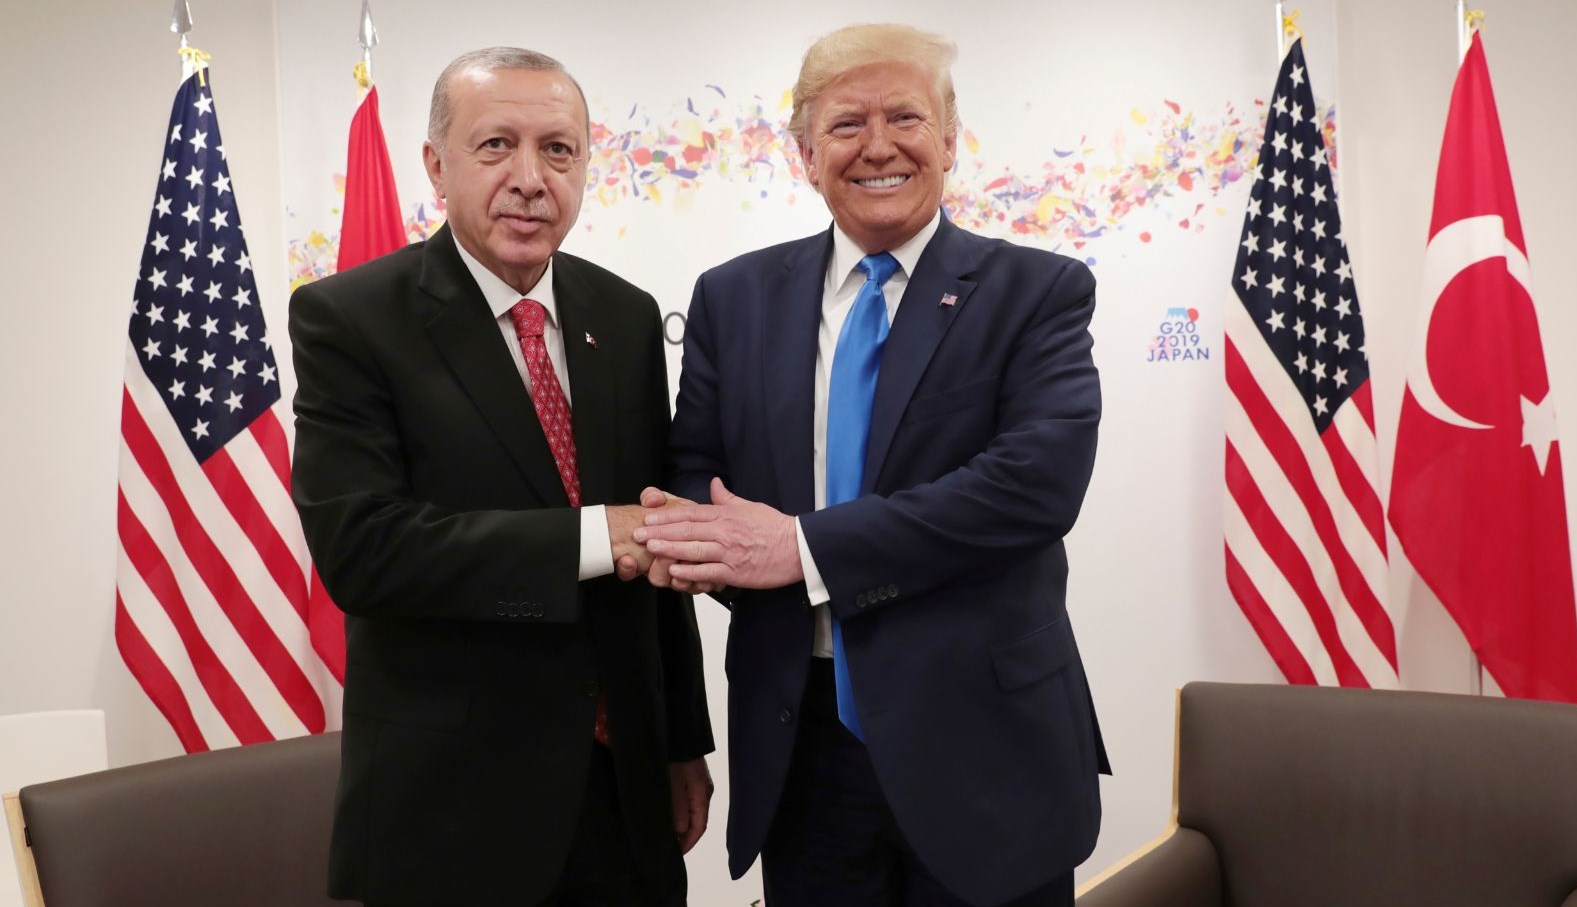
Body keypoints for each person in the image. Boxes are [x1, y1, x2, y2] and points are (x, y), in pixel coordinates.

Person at [634, 23, 1108, 907]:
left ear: (950, 141)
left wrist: (802, 549)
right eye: (847, 124)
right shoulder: (732, 298)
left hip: (987, 749)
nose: (879, 146)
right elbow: (696, 468)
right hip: (804, 746)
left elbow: (1034, 486)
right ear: (806, 155)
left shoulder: (1037, 291)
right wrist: (719, 543)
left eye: (906, 118)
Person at [288, 47, 713, 907]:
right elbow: (363, 551)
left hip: (624, 796)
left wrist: (679, 740)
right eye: (496, 146)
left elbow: (656, 545)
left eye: (558, 150)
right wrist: (597, 534)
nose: (529, 178)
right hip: (453, 814)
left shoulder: (626, 316)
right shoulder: (350, 319)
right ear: (436, 165)